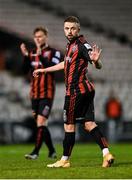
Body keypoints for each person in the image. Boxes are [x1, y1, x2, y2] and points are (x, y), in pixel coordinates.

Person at [33, 16, 114, 168]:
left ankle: (64, 160)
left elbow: (97, 63)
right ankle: (106, 153)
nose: (69, 31)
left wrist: (96, 61)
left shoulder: (82, 44)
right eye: (67, 28)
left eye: (73, 28)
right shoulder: (71, 45)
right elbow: (65, 64)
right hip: (87, 90)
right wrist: (44, 70)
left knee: (69, 126)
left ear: (78, 29)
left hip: (75, 91)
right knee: (89, 124)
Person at [20, 26, 62, 160]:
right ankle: (52, 151)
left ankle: (35, 152)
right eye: (36, 37)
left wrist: (39, 55)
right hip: (34, 93)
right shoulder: (31, 53)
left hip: (47, 93)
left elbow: (51, 67)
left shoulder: (54, 52)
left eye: (40, 36)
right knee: (41, 125)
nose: (38, 39)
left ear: (46, 37)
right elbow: (23, 71)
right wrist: (26, 57)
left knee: (41, 121)